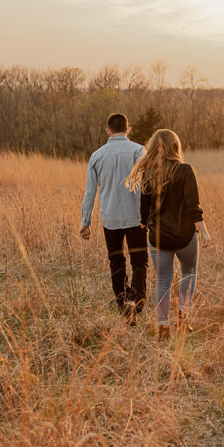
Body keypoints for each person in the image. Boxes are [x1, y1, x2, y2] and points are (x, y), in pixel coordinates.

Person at [125, 129, 212, 341]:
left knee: (162, 281)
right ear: (176, 147)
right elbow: (193, 206)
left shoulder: (149, 173)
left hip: (158, 237)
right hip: (185, 235)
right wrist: (205, 232)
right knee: (189, 273)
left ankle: (162, 328)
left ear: (154, 148)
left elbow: (143, 212)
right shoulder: (185, 170)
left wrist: (145, 225)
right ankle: (183, 319)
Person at [79, 112, 148, 324]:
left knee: (116, 261)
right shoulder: (139, 151)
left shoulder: (97, 156)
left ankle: (122, 305)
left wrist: (85, 222)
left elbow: (90, 192)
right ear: (128, 129)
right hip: (137, 218)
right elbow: (148, 186)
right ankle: (135, 302)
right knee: (139, 261)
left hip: (110, 219)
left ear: (108, 130)